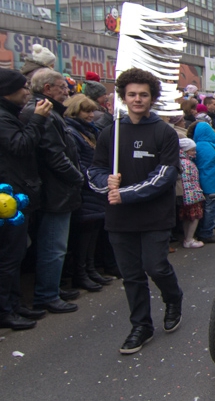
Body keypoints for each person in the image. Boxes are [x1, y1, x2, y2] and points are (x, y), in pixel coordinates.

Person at [87, 68, 183, 354]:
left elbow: (165, 175)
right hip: (119, 217)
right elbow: (94, 170)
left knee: (155, 266)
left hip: (154, 214)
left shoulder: (164, 132)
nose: (138, 99)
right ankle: (141, 325)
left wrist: (125, 193)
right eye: (132, 94)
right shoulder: (110, 132)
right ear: (123, 97)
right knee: (131, 275)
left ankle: (173, 298)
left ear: (152, 97)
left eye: (143, 94)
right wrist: (106, 181)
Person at [20, 69, 83, 314]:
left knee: (56, 245)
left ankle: (51, 288)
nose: (67, 90)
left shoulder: (50, 112)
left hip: (57, 189)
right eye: (62, 87)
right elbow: (54, 156)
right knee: (53, 246)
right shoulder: (44, 113)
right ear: (47, 89)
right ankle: (47, 294)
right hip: (55, 190)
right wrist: (77, 177)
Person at [0, 68, 52, 330]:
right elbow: (19, 146)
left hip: (18, 194)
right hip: (8, 200)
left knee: (16, 255)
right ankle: (5, 310)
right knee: (9, 257)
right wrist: (38, 120)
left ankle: (15, 304)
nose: (27, 92)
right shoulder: (3, 119)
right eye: (22, 87)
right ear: (7, 91)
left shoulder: (10, 115)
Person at [63, 94, 112, 292]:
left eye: (92, 110)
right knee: (84, 236)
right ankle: (81, 273)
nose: (91, 115)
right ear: (76, 110)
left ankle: (90, 270)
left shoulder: (89, 132)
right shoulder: (73, 132)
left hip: (95, 189)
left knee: (93, 235)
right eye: (86, 111)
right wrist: (93, 179)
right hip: (87, 188)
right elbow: (80, 162)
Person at [193, 122, 215, 244]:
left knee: (199, 209)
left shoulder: (194, 147)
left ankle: (197, 231)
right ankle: (207, 233)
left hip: (196, 183)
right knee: (211, 209)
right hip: (212, 182)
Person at [177, 138, 205, 249]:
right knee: (195, 217)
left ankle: (186, 237)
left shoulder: (179, 162)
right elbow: (190, 181)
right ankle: (189, 239)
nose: (194, 152)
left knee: (186, 218)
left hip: (184, 195)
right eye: (192, 150)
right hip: (192, 195)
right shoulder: (188, 163)